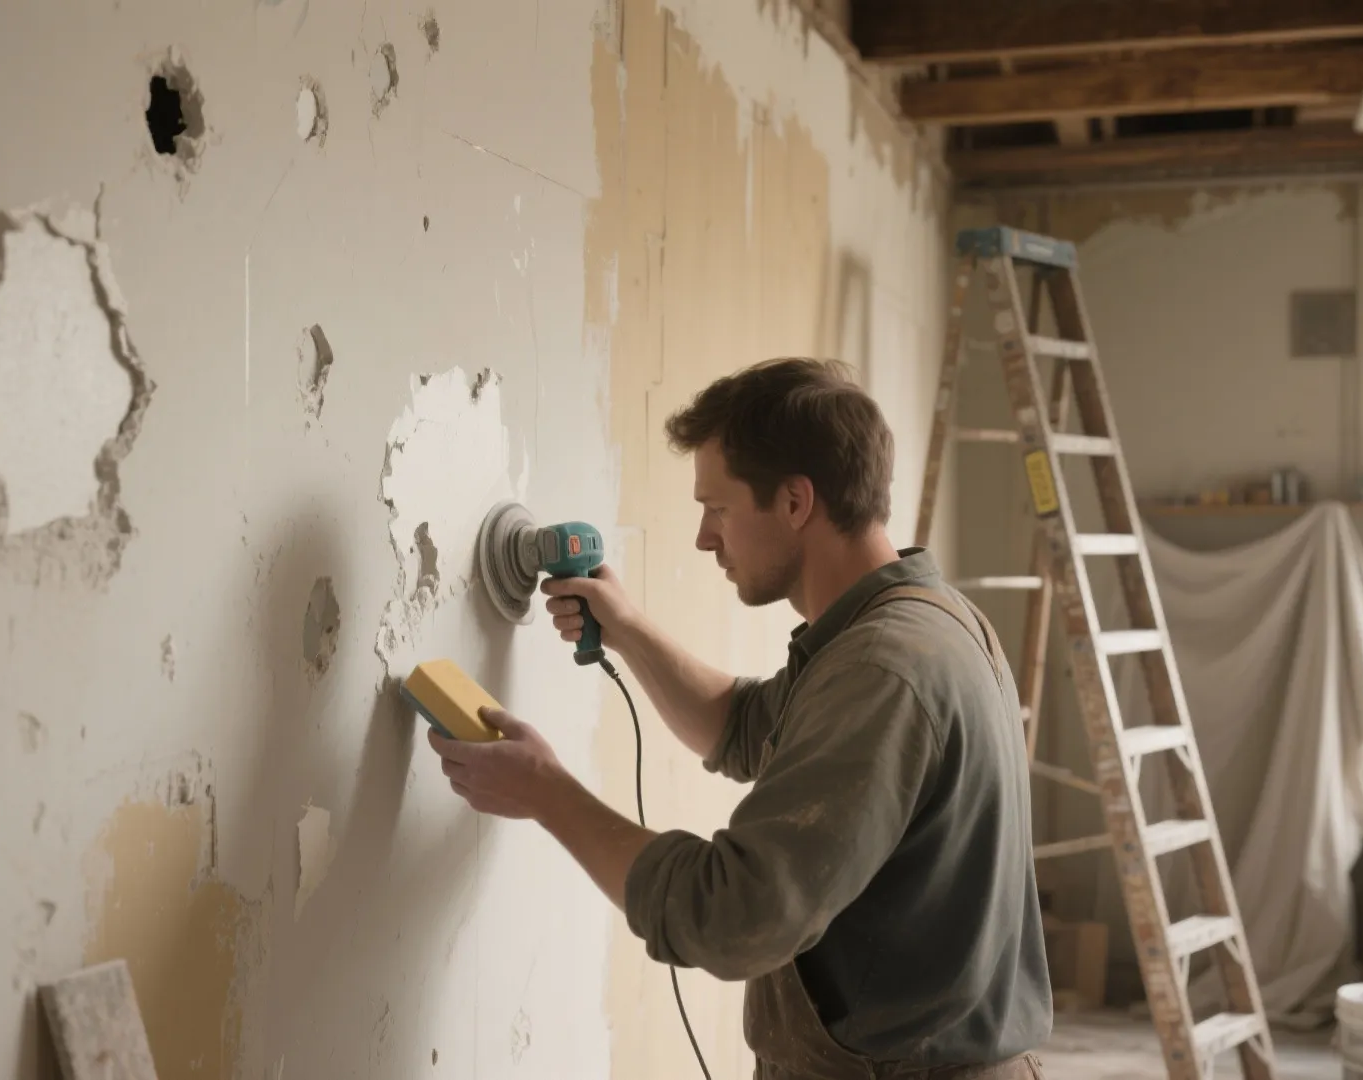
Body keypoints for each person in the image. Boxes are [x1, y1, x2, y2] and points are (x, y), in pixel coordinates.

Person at [427, 358, 1051, 1079]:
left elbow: (733, 918)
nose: (704, 537)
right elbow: (747, 727)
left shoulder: (880, 672)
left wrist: (547, 793)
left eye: (717, 509)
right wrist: (627, 628)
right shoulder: (917, 623)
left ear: (795, 502)